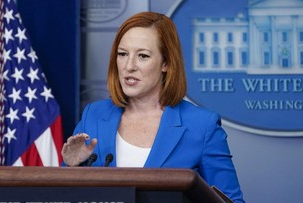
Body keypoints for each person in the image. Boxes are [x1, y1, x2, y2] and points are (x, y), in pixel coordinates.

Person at [62, 11, 245, 202]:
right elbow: (65, 196)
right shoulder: (94, 115)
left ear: (166, 63)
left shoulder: (202, 125)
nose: (129, 66)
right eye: (123, 54)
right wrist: (72, 167)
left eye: (142, 56)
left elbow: (230, 201)